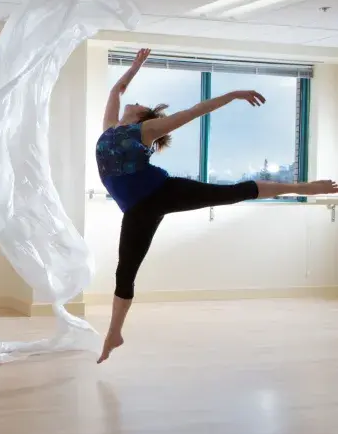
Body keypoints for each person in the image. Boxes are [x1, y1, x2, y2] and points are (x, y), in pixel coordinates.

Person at [96, 49, 338, 364]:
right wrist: (137, 65)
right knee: (125, 271)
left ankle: (302, 188)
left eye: (140, 104)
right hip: (136, 209)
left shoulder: (146, 130)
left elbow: (197, 110)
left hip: (161, 192)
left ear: (143, 117)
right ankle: (115, 333)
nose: (136, 101)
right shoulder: (109, 127)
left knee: (232, 192)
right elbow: (117, 90)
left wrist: (233, 94)